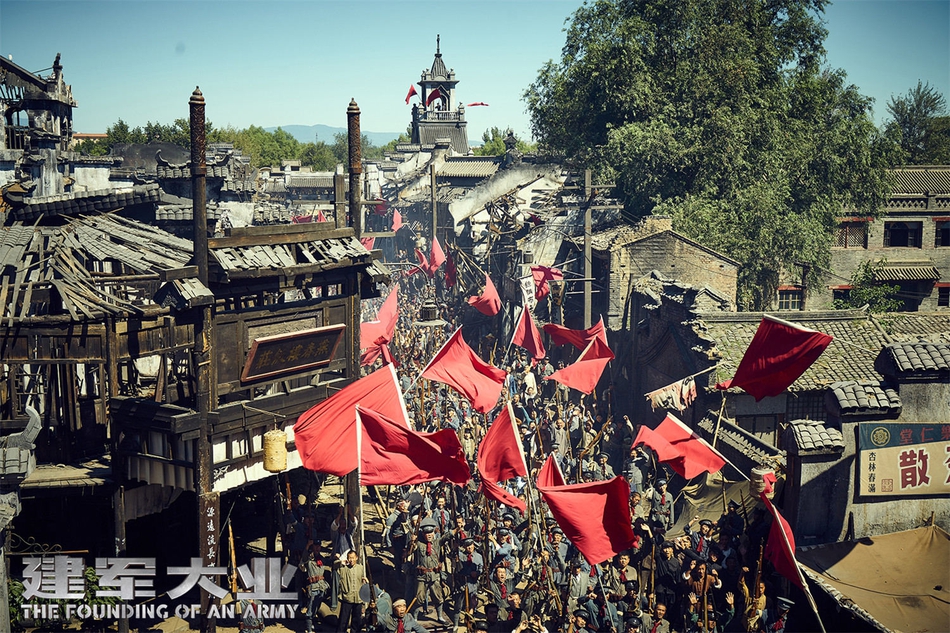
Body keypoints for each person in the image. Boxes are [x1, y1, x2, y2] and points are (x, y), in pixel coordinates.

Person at [299, 543, 329, 632]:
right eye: (315, 546)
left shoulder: (321, 559)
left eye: (318, 546)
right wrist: (307, 546)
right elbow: (303, 559)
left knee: (316, 607)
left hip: (321, 587)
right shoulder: (308, 559)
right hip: (313, 587)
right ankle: (309, 630)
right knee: (310, 609)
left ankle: (312, 625)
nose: (317, 548)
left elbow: (329, 562)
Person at [336, 550, 366, 633]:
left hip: (358, 598)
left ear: (356, 558)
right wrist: (341, 561)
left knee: (357, 620)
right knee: (343, 620)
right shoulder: (343, 568)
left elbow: (364, 579)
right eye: (349, 558)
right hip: (347, 598)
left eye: (353, 558)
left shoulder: (361, 568)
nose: (351, 560)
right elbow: (334, 565)